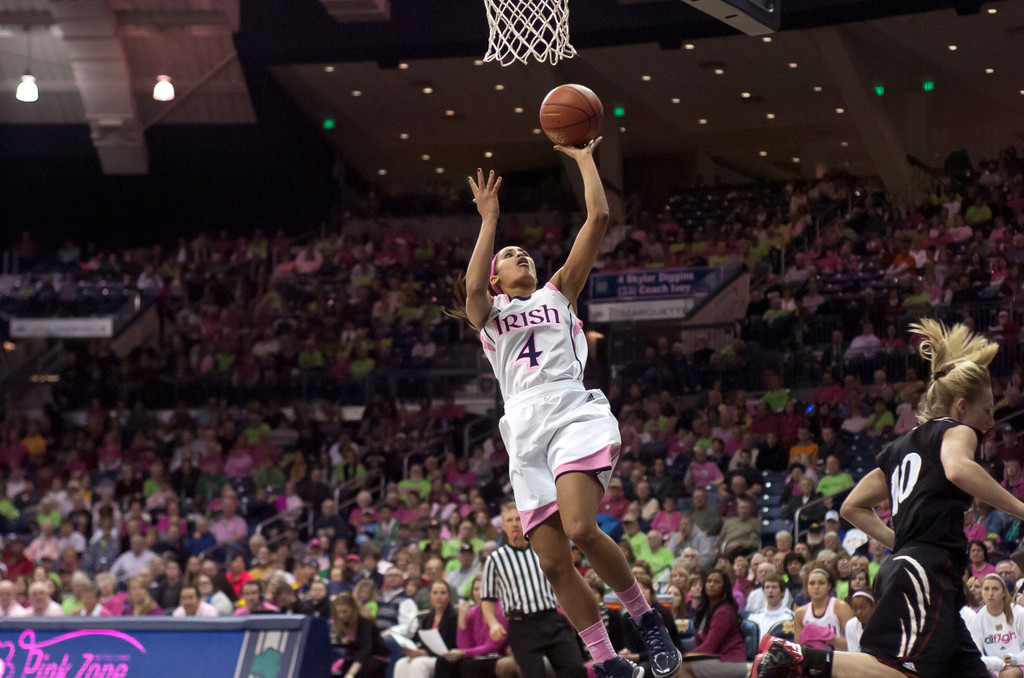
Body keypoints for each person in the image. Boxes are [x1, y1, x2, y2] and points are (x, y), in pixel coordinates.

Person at [447, 146, 679, 678]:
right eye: (510, 255)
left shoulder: (558, 293)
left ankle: (647, 619)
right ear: (498, 276)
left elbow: (598, 218)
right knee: (553, 563)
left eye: (524, 252)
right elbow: (473, 287)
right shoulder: (488, 315)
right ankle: (607, 662)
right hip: (523, 428)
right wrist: (489, 220)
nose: (521, 256)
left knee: (580, 526)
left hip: (572, 411)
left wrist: (585, 158)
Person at [757, 320, 1024, 678]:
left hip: (918, 571)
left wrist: (900, 543)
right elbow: (958, 469)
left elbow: (852, 506)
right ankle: (797, 655)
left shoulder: (902, 446)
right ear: (961, 406)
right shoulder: (959, 431)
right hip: (927, 570)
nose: (991, 419)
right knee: (898, 672)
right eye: (988, 409)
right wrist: (1021, 509)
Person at [480, 504, 586, 678]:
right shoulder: (495, 559)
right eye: (510, 520)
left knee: (575, 670)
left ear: (525, 521)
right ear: (503, 526)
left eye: (518, 519)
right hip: (521, 625)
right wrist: (493, 623)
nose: (515, 523)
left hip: (551, 618)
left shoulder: (543, 550)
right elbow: (487, 598)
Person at [679, 569, 747, 678]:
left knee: (681, 667)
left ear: (724, 588)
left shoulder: (724, 611)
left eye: (717, 582)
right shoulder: (706, 611)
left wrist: (683, 657)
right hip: (715, 659)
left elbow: (709, 647)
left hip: (732, 661)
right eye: (709, 581)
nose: (711, 585)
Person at [393, 580, 458, 678]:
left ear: (449, 596)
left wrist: (425, 653)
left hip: (443, 658)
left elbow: (450, 645)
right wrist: (412, 650)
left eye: (443, 593)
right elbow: (422, 642)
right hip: (426, 655)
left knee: (418, 664)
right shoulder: (426, 618)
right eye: (435, 593)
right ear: (430, 595)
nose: (439, 597)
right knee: (401, 663)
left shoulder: (453, 617)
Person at [967, 573, 1024, 677]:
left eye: (995, 589)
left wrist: (1014, 659)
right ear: (982, 592)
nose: (990, 593)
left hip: (1019, 664)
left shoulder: (1019, 613)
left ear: (1004, 592)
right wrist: (995, 663)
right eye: (986, 589)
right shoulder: (977, 619)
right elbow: (975, 654)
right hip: (992, 667)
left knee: (1008, 674)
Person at [331, 592, 389, 678]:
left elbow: (365, 649)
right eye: (338, 612)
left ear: (353, 609)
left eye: (345, 612)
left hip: (376, 656)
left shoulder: (364, 623)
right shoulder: (342, 625)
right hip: (356, 657)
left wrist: (351, 673)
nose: (341, 615)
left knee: (359, 673)